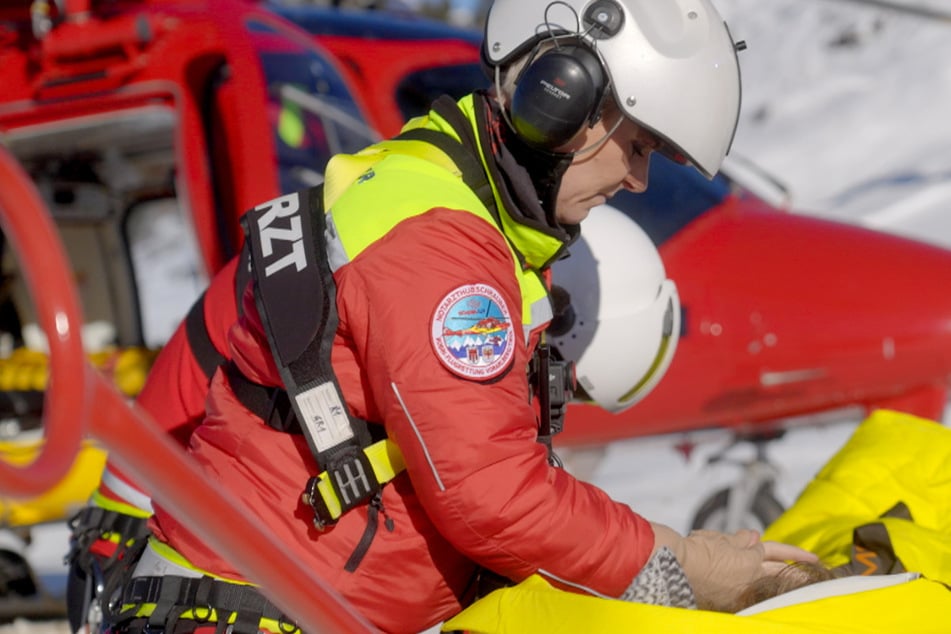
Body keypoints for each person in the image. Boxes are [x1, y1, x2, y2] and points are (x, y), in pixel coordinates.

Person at [94, 1, 817, 632]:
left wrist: (115, 514)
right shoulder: (442, 247)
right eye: (637, 146)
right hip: (261, 610)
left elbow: (212, 330)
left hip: (248, 605)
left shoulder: (406, 187)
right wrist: (681, 569)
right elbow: (491, 498)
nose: (636, 178)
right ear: (559, 102)